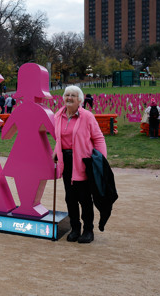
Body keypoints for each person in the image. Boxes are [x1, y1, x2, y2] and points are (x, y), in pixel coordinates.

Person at [53, 85, 107, 244]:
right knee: (70, 197)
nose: (69, 98)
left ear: (80, 100)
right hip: (66, 162)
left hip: (83, 162)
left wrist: (101, 161)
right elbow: (59, 138)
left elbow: (98, 138)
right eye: (67, 95)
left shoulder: (87, 116)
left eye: (73, 96)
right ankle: (75, 227)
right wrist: (56, 150)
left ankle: (88, 230)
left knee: (84, 197)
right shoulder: (58, 116)